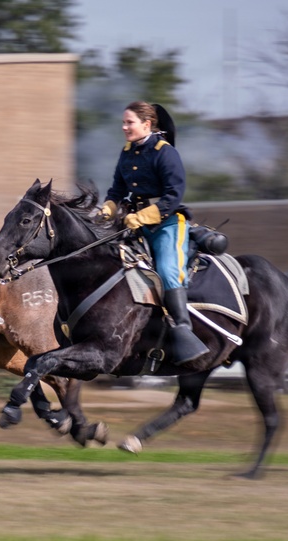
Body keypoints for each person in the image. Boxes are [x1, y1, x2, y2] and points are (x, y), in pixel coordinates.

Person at [98, 101, 209, 364]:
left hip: (167, 224)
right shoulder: (127, 152)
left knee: (169, 270)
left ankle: (183, 329)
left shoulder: (164, 152)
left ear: (146, 124)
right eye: (123, 123)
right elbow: (116, 190)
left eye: (129, 123)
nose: (124, 128)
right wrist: (105, 210)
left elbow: (173, 196)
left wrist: (142, 216)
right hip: (135, 225)